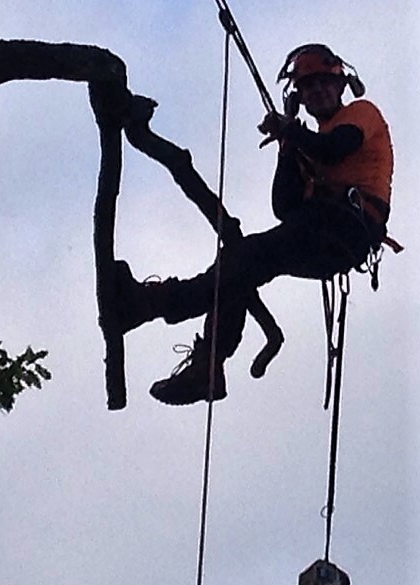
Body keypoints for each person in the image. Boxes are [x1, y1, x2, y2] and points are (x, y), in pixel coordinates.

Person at [116, 43, 394, 406]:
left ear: (341, 86)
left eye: (325, 83)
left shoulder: (360, 114)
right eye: (309, 87)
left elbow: (335, 149)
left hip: (346, 228)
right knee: (239, 266)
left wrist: (291, 132)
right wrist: (287, 145)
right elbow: (285, 205)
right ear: (301, 97)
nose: (318, 91)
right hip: (319, 233)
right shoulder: (305, 141)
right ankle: (208, 364)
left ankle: (154, 303)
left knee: (246, 256)